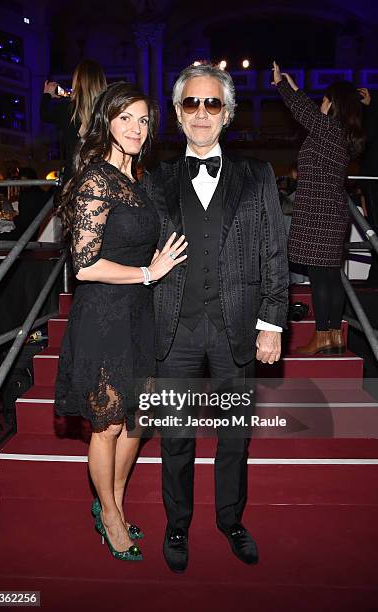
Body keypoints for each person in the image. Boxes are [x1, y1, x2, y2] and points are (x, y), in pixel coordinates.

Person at [142, 63, 289, 572]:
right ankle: (177, 523)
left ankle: (231, 520)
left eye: (212, 104)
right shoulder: (155, 181)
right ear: (179, 116)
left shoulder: (257, 175)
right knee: (175, 437)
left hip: (236, 329)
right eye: (191, 104)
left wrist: (272, 323)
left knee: (233, 436)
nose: (201, 114)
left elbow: (274, 250)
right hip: (174, 330)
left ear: (227, 114)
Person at [54, 82, 187, 562]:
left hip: (138, 312)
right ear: (107, 121)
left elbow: (129, 242)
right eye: (125, 117)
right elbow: (85, 264)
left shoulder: (137, 179)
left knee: (134, 421)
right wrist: (149, 271)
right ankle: (110, 515)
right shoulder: (96, 178)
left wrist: (155, 261)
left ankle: (114, 502)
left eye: (143, 120)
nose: (135, 128)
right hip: (105, 315)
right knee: (108, 426)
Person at [273, 62, 365, 354]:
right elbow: (310, 110)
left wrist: (281, 85)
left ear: (334, 105)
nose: (320, 103)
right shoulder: (338, 134)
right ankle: (332, 334)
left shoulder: (328, 129)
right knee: (329, 276)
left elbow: (302, 111)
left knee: (321, 277)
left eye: (325, 99)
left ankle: (323, 333)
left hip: (320, 215)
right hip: (330, 213)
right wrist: (296, 87)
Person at [40, 59, 107, 186]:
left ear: (77, 81)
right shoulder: (108, 109)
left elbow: (44, 115)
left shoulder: (67, 108)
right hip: (102, 177)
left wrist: (47, 95)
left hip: (74, 178)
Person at [359, 87, 378, 285]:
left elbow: (368, 137)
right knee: (373, 227)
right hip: (371, 180)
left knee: (375, 227)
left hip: (373, 178)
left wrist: (370, 109)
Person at [2, 167, 51, 241]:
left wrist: (14, 218)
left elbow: (24, 223)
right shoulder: (42, 193)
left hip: (27, 237)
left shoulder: (26, 195)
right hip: (38, 234)